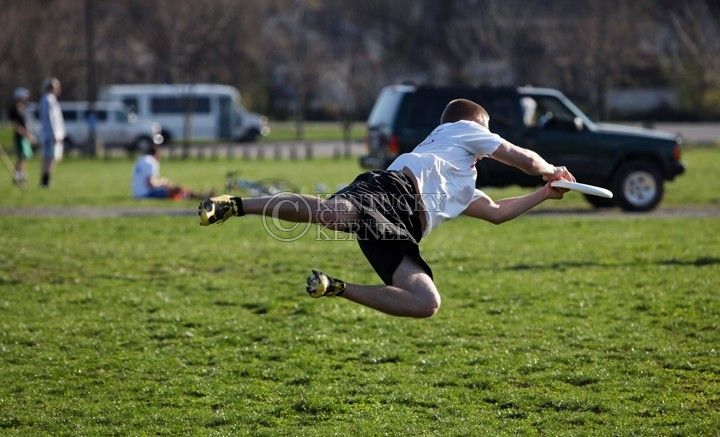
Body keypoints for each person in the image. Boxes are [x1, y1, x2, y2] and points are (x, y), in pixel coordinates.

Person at [198, 99, 575, 318]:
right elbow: (522, 158)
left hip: (401, 231)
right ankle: (235, 205)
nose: (488, 140)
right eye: (487, 131)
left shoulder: (464, 180)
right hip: (391, 191)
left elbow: (495, 212)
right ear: (475, 125)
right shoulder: (459, 128)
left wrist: (545, 194)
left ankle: (335, 288)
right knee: (332, 214)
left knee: (426, 302)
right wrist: (549, 170)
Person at [132, 145, 211, 200]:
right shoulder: (151, 162)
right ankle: (198, 195)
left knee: (172, 188)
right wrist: (163, 182)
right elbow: (150, 184)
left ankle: (196, 195)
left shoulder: (141, 160)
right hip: (146, 194)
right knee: (175, 190)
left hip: (137, 193)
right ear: (156, 154)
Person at [39, 77, 65, 187]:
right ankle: (45, 181)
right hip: (50, 135)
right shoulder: (48, 100)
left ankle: (47, 179)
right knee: (49, 157)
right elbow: (50, 119)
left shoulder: (51, 99)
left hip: (54, 134)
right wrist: (54, 134)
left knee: (52, 157)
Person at [7, 87, 36, 185]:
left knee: (24, 158)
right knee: (21, 158)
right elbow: (15, 124)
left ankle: (21, 177)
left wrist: (29, 134)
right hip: (20, 136)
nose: (26, 98)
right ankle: (18, 178)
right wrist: (25, 134)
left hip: (25, 136)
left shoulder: (23, 108)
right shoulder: (14, 109)